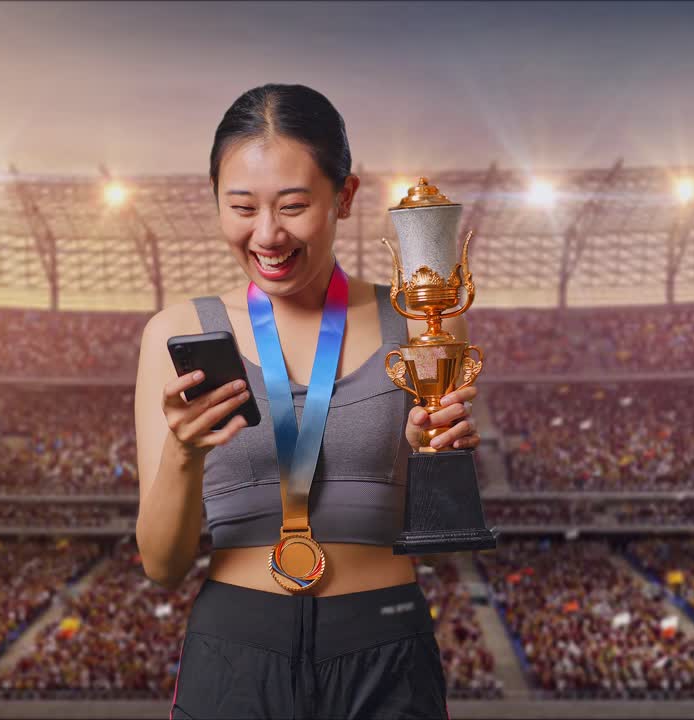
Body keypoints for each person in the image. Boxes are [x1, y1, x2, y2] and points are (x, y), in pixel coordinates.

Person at [134, 83, 480, 719]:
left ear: (344, 197)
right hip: (235, 649)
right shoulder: (175, 335)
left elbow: (444, 538)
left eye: (293, 206)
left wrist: (432, 460)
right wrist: (184, 455)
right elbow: (162, 564)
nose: (267, 234)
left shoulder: (423, 325)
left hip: (386, 641)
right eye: (241, 207)